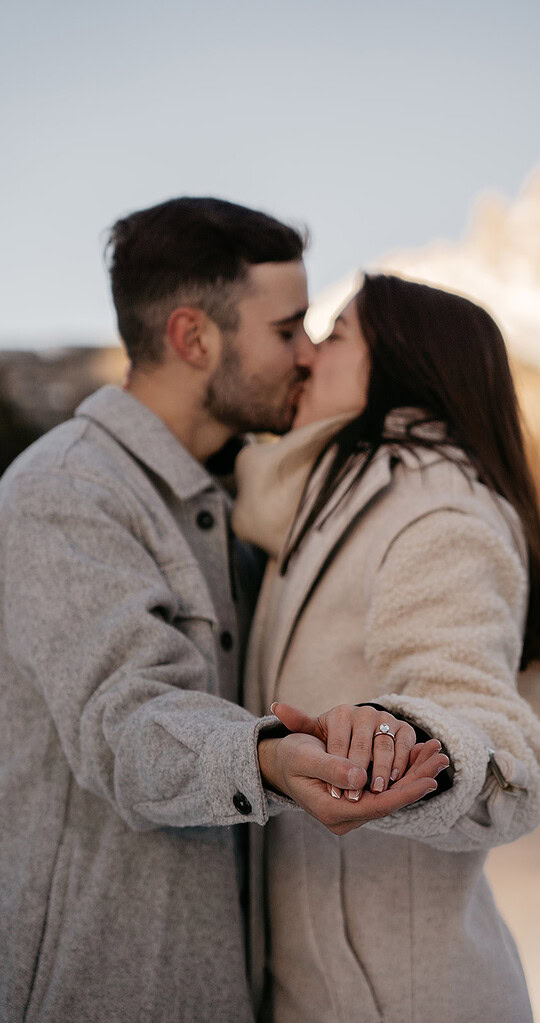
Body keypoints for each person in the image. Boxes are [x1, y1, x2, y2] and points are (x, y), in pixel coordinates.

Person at [0, 201, 441, 1023]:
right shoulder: (66, 493)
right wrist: (269, 757)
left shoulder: (226, 509)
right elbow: (124, 721)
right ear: (194, 338)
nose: (308, 355)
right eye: (288, 330)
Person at [232, 274, 540, 1022]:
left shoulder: (435, 512)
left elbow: (500, 741)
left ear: (405, 365)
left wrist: (409, 739)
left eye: (337, 333)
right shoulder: (324, 505)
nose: (308, 354)